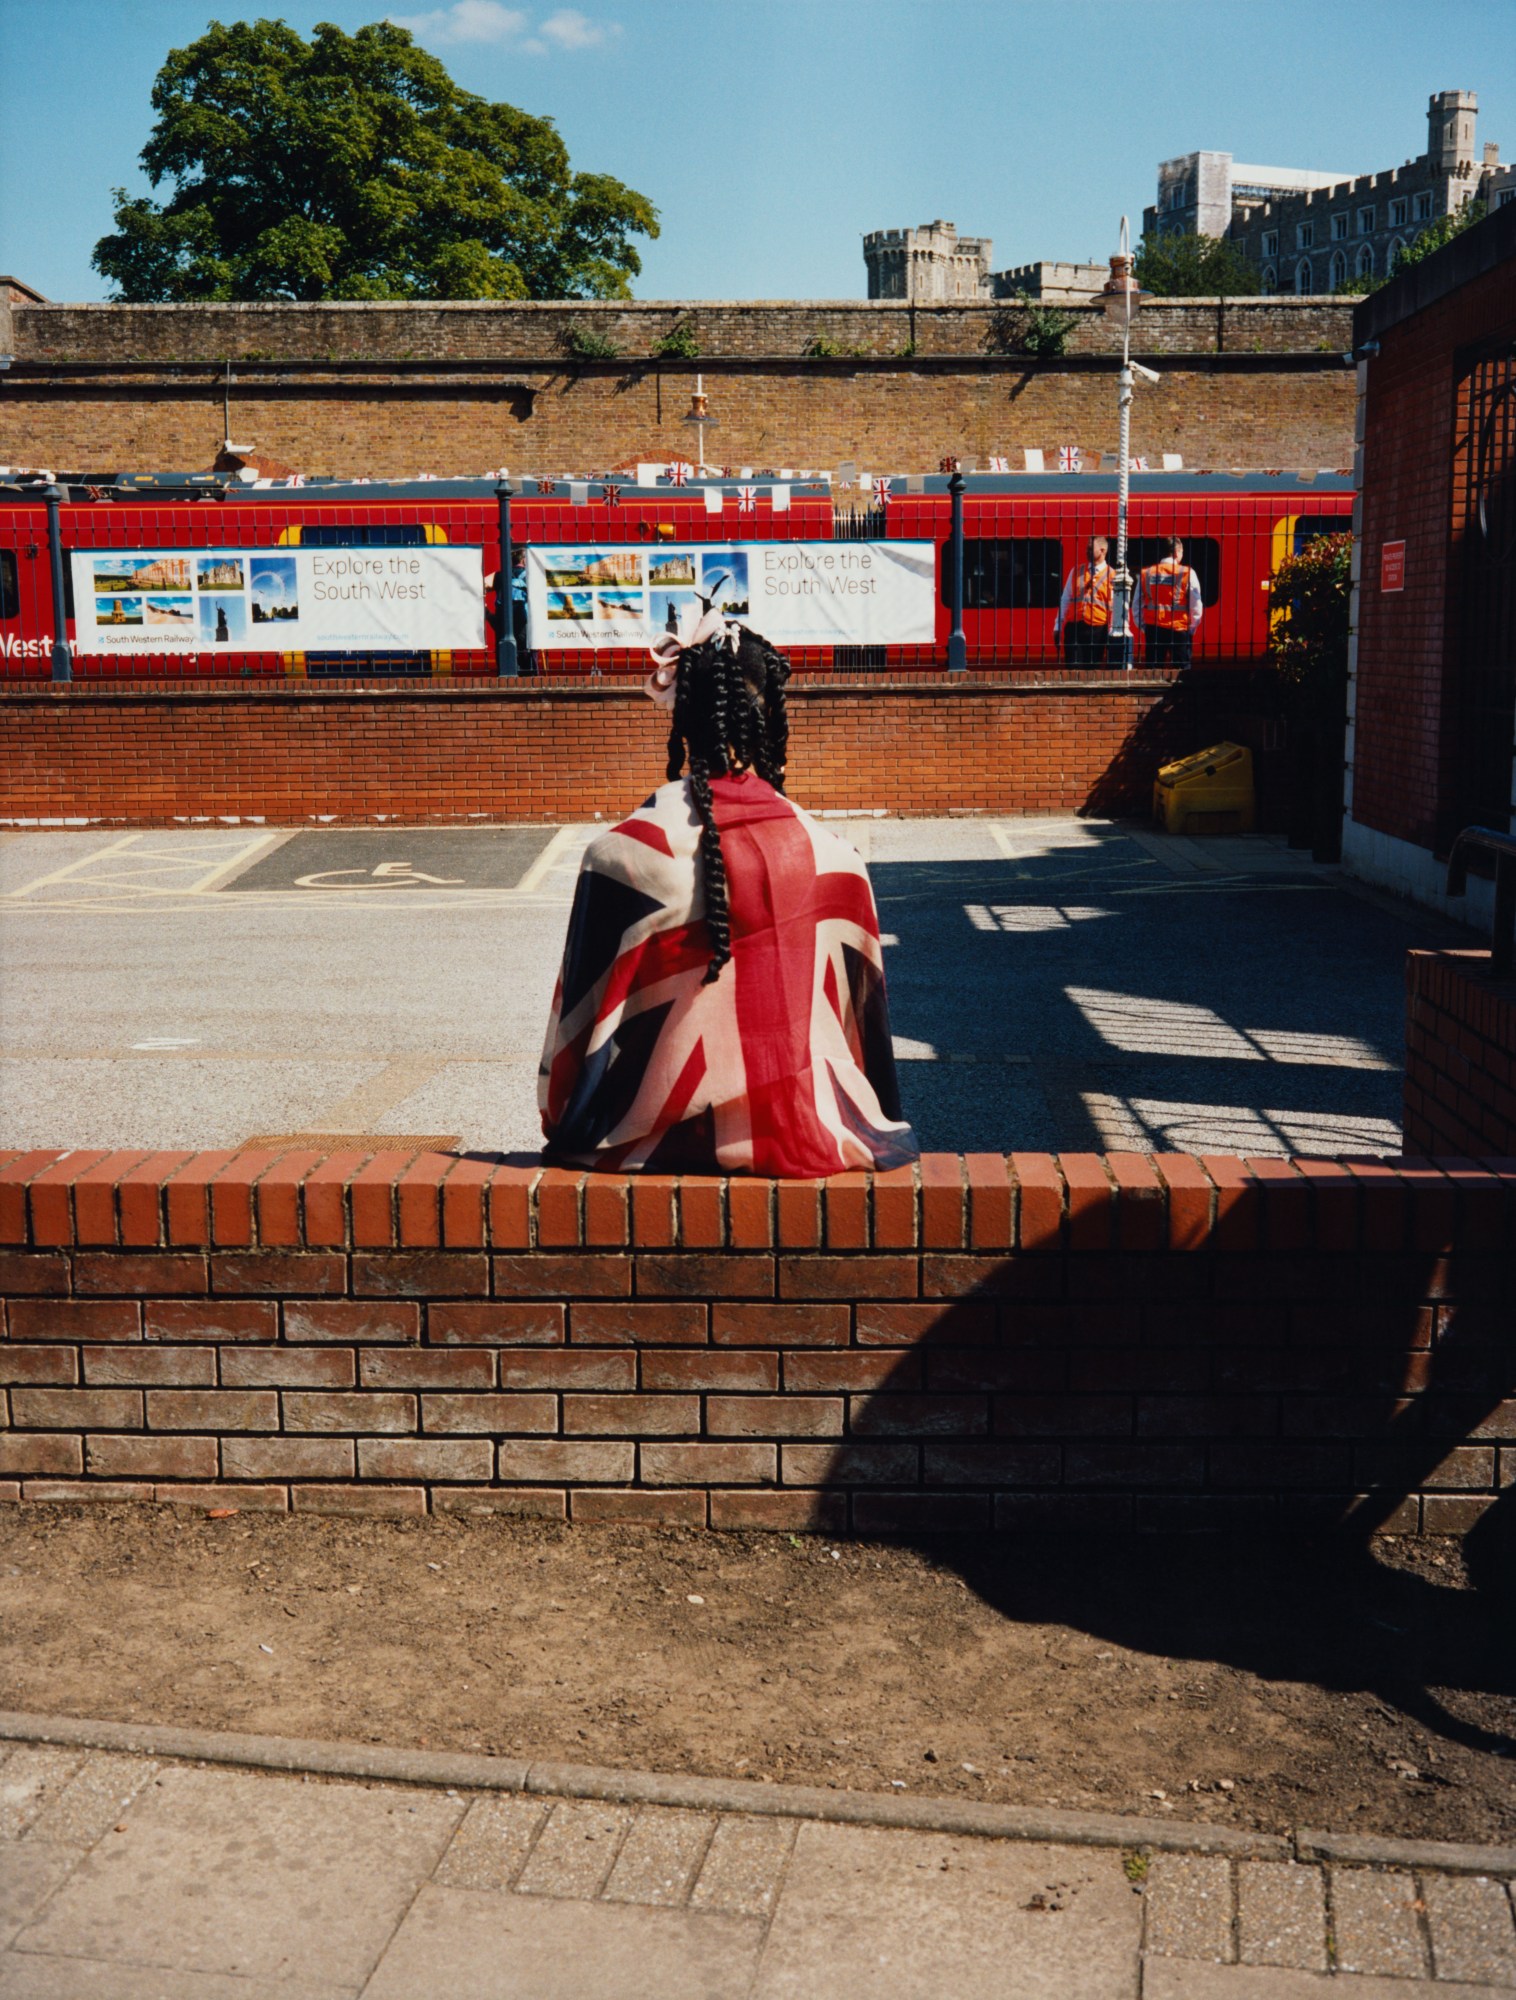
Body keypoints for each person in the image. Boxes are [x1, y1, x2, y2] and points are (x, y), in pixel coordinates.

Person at [539, 603, 918, 1176]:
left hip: (641, 1143)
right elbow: (867, 1042)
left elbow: (573, 1047)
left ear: (681, 713)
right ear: (770, 717)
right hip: (814, 1129)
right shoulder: (838, 863)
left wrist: (565, 1121)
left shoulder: (619, 858)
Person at [1136, 535, 1203, 670]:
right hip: (1179, 629)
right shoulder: (1187, 573)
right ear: (1177, 552)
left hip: (1154, 628)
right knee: (1181, 670)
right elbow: (1196, 604)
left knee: (1153, 671)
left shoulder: (1147, 573)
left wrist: (1144, 626)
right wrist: (1192, 626)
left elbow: (1136, 604)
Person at [1054, 534, 1117, 665]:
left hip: (1098, 630)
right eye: (1086, 548)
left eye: (1090, 548)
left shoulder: (1113, 576)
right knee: (1072, 667)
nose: (1086, 551)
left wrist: (1112, 633)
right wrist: (1057, 625)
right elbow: (1065, 599)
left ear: (1103, 550)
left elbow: (1115, 608)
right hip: (1074, 628)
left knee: (1092, 669)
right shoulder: (1076, 571)